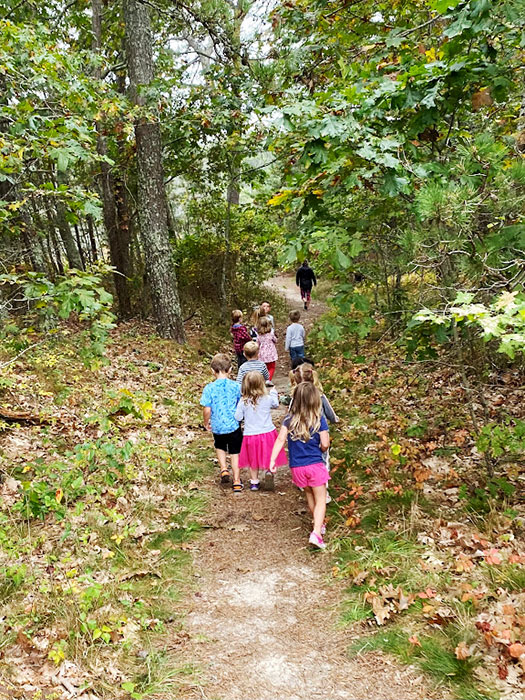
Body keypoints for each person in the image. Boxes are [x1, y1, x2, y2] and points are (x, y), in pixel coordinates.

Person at [269, 383, 330, 549]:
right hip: (315, 465)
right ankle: (316, 533)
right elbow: (325, 443)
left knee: (310, 496)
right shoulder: (319, 420)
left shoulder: (289, 420)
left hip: (297, 468)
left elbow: (280, 439)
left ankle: (318, 524)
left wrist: (272, 460)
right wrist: (321, 447)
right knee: (321, 499)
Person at [289, 362, 339, 504]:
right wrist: (335, 420)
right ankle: (324, 490)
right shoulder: (320, 396)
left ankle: (306, 484)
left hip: (301, 434)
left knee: (304, 458)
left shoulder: (295, 397)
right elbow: (330, 413)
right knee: (322, 460)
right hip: (319, 433)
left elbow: (290, 415)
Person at [235, 372, 287, 491]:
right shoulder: (267, 398)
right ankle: (269, 472)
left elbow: (238, 417)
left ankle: (254, 482)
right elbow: (275, 404)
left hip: (250, 434)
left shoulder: (243, 401)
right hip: (267, 432)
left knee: (252, 459)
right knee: (269, 455)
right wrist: (273, 392)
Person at [200, 353, 244, 493]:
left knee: (219, 446)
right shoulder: (236, 386)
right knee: (235, 451)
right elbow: (240, 404)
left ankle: (224, 469)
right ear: (230, 369)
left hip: (218, 425)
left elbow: (207, 409)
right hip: (233, 425)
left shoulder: (209, 388)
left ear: (212, 371)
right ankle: (237, 481)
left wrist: (206, 422)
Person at [257, 315, 278, 380]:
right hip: (271, 353)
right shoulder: (270, 334)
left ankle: (264, 378)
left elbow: (257, 343)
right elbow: (275, 340)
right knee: (272, 367)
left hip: (262, 353)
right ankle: (268, 379)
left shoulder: (259, 336)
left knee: (264, 367)